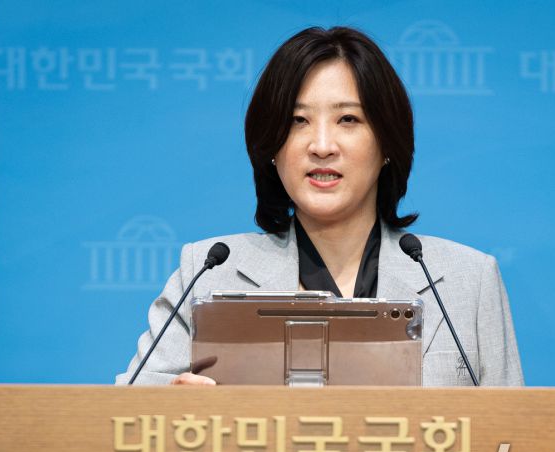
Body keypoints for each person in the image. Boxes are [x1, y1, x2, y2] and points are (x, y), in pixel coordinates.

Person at [115, 26, 524, 387]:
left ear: (386, 143)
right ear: (272, 147)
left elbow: (514, 434)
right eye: (298, 120)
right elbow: (123, 417)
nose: (322, 146)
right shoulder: (206, 272)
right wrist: (179, 409)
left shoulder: (469, 280)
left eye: (348, 119)